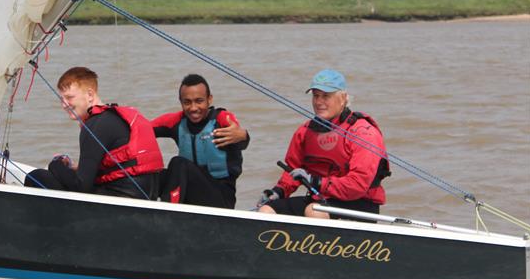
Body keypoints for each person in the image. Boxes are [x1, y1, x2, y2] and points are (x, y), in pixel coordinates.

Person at [258, 69, 390, 219]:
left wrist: (315, 181)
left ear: (343, 98)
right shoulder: (305, 132)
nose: (319, 102)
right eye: (316, 96)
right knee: (267, 210)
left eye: (326, 96)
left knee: (314, 211)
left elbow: (357, 185)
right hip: (319, 200)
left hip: (360, 204)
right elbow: (293, 170)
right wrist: (279, 192)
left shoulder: (363, 132)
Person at [24, 66, 163, 199]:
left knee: (36, 176)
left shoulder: (94, 125)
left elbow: (81, 186)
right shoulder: (111, 117)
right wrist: (74, 168)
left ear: (90, 94)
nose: (64, 104)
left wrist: (55, 164)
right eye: (62, 99)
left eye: (69, 97)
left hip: (120, 202)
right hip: (143, 198)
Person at [151, 74, 249, 209]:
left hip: (221, 199)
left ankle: (169, 213)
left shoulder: (222, 119)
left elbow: (240, 137)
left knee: (178, 163)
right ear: (180, 102)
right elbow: (142, 128)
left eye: (199, 101)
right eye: (187, 102)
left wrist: (244, 135)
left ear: (209, 99)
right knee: (151, 175)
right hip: (190, 193)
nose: (193, 108)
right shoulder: (176, 121)